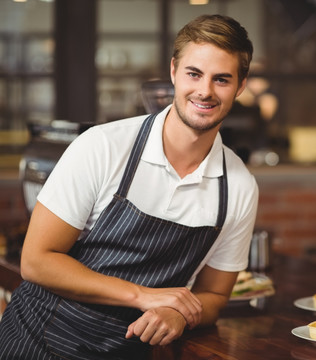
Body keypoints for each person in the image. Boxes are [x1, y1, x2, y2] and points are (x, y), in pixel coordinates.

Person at [0, 14, 258, 359]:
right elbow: (36, 261)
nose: (205, 91)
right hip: (37, 340)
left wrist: (179, 312)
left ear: (241, 86)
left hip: (127, 352)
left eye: (222, 79)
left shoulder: (239, 187)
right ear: (173, 72)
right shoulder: (103, 147)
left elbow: (214, 297)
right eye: (193, 74)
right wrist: (143, 295)